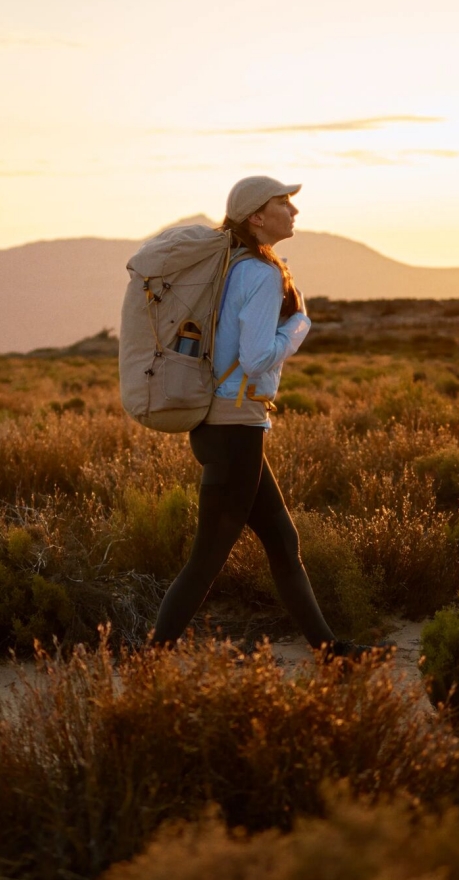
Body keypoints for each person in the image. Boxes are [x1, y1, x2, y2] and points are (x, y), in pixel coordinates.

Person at [152, 176, 371, 660]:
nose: (294, 212)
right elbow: (255, 358)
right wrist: (297, 326)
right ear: (256, 216)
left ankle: (329, 651)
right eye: (283, 204)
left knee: (283, 541)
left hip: (220, 425)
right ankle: (147, 663)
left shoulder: (232, 264)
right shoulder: (262, 273)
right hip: (235, 429)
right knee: (205, 562)